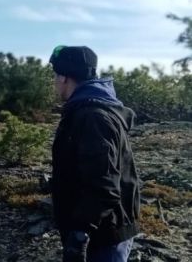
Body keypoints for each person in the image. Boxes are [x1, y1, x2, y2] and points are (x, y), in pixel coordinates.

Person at [49, 45, 140, 262]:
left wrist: (80, 234)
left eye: (55, 76)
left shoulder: (93, 116)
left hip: (103, 235)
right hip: (101, 228)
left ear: (63, 77)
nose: (54, 82)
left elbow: (103, 184)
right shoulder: (88, 108)